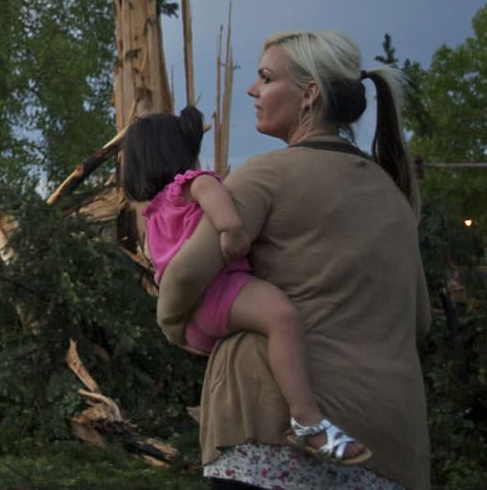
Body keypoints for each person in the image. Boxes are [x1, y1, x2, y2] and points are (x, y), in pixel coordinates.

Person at [156, 30, 430, 490]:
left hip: (274, 439)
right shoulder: (393, 196)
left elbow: (184, 275)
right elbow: (419, 321)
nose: (251, 89)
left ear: (309, 95)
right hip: (392, 446)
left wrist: (173, 326)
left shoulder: (266, 175)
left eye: (265, 78)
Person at [123, 105, 368, 465]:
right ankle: (306, 418)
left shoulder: (154, 212)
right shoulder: (196, 183)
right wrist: (233, 234)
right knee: (283, 319)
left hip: (194, 319)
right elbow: (226, 215)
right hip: (221, 291)